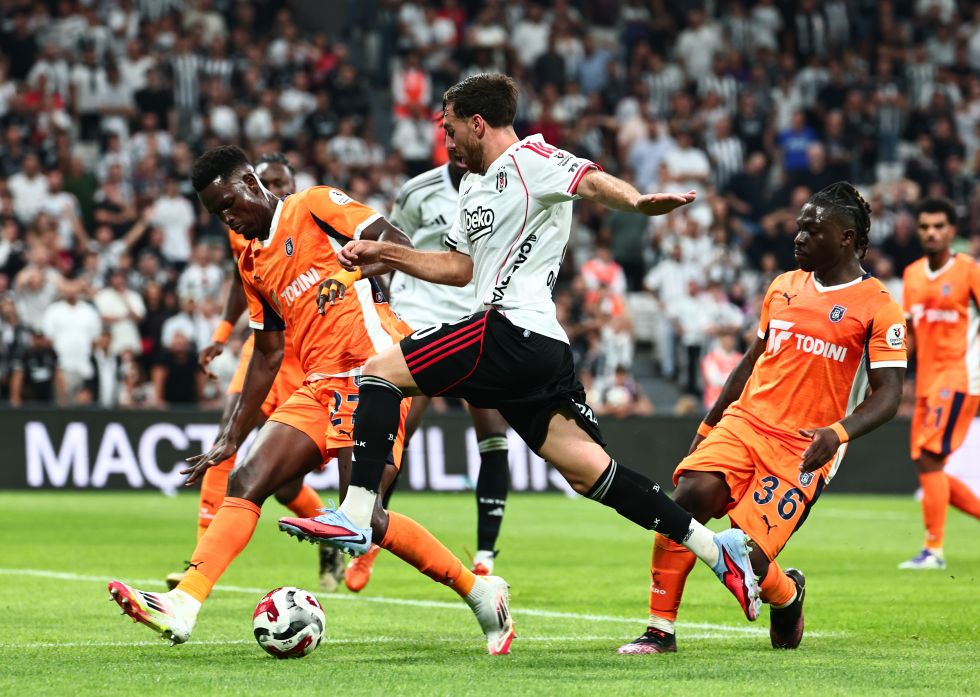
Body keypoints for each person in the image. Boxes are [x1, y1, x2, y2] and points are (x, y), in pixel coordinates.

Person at [281, 74, 761, 637]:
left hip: (510, 329)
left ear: (477, 123)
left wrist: (637, 202)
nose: (446, 141)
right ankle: (717, 548)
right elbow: (460, 269)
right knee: (590, 474)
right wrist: (386, 254)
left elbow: (591, 181)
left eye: (451, 129)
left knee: (377, 373)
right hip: (533, 349)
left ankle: (358, 513)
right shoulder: (473, 188)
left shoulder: (532, 158)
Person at [108, 145, 513, 657]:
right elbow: (267, 353)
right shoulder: (252, 261)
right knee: (246, 479)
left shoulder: (315, 205)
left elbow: (396, 241)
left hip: (374, 373)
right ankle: (183, 603)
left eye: (229, 204)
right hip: (318, 384)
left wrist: (351, 272)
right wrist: (231, 435)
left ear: (251, 183)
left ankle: (480, 593)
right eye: (217, 214)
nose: (228, 218)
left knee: (364, 519)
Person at [617, 182, 907, 655]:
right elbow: (751, 362)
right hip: (746, 422)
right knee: (685, 500)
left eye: (812, 230)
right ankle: (659, 629)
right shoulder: (783, 286)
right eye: (799, 227)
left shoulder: (879, 307)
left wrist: (838, 433)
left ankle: (787, 595)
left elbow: (890, 394)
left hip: (803, 447)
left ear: (847, 238)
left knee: (746, 557)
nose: (798, 237)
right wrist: (708, 426)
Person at [163, 152, 345, 593]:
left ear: (288, 184)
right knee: (227, 439)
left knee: (285, 487)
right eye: (268, 181)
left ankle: (331, 536)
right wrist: (222, 333)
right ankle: (199, 563)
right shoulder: (241, 230)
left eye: (280, 181)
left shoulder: (311, 217)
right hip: (265, 348)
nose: (273, 188)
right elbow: (239, 282)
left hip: (312, 353)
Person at [342, 158, 513, 593]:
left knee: (494, 435)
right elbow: (390, 250)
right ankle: (368, 536)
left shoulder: (505, 185)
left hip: (475, 318)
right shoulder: (417, 191)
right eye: (448, 134)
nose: (455, 145)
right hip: (419, 317)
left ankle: (485, 559)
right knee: (398, 431)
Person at [898, 197, 980, 570]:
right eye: (925, 226)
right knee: (928, 464)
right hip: (927, 381)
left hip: (960, 376)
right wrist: (893, 371)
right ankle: (932, 549)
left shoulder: (969, 271)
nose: (931, 233)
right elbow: (911, 334)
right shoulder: (912, 274)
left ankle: (933, 550)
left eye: (938, 226)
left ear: (951, 231)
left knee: (931, 457)